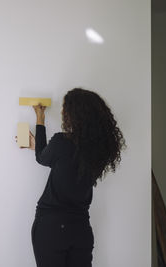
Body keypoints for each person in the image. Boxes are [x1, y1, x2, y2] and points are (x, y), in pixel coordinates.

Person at [22, 88, 125, 267]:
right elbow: (63, 160)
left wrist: (40, 118)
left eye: (65, 108)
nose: (62, 112)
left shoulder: (62, 142)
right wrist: (40, 147)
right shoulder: (98, 151)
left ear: (73, 114)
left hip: (52, 227)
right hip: (81, 228)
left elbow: (42, 157)